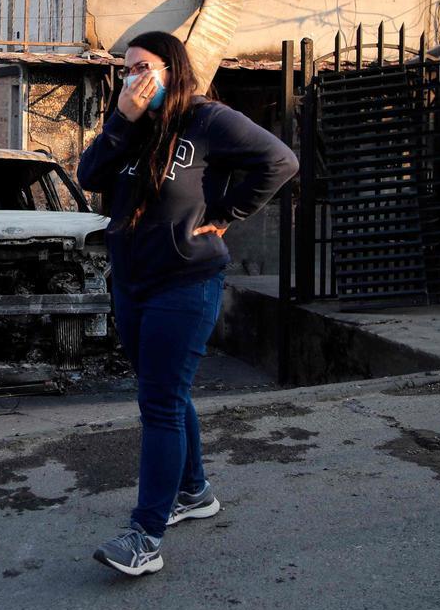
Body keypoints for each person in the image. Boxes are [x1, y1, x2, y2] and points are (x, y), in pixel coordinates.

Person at [77, 31, 299, 577]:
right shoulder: (130, 126)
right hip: (132, 282)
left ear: (172, 69)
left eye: (143, 67)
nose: (132, 78)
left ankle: (145, 536)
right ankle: (195, 492)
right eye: (126, 69)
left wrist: (228, 211)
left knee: (159, 403)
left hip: (185, 281)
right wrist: (122, 121)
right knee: (165, 391)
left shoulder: (208, 120)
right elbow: (87, 176)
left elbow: (280, 160)